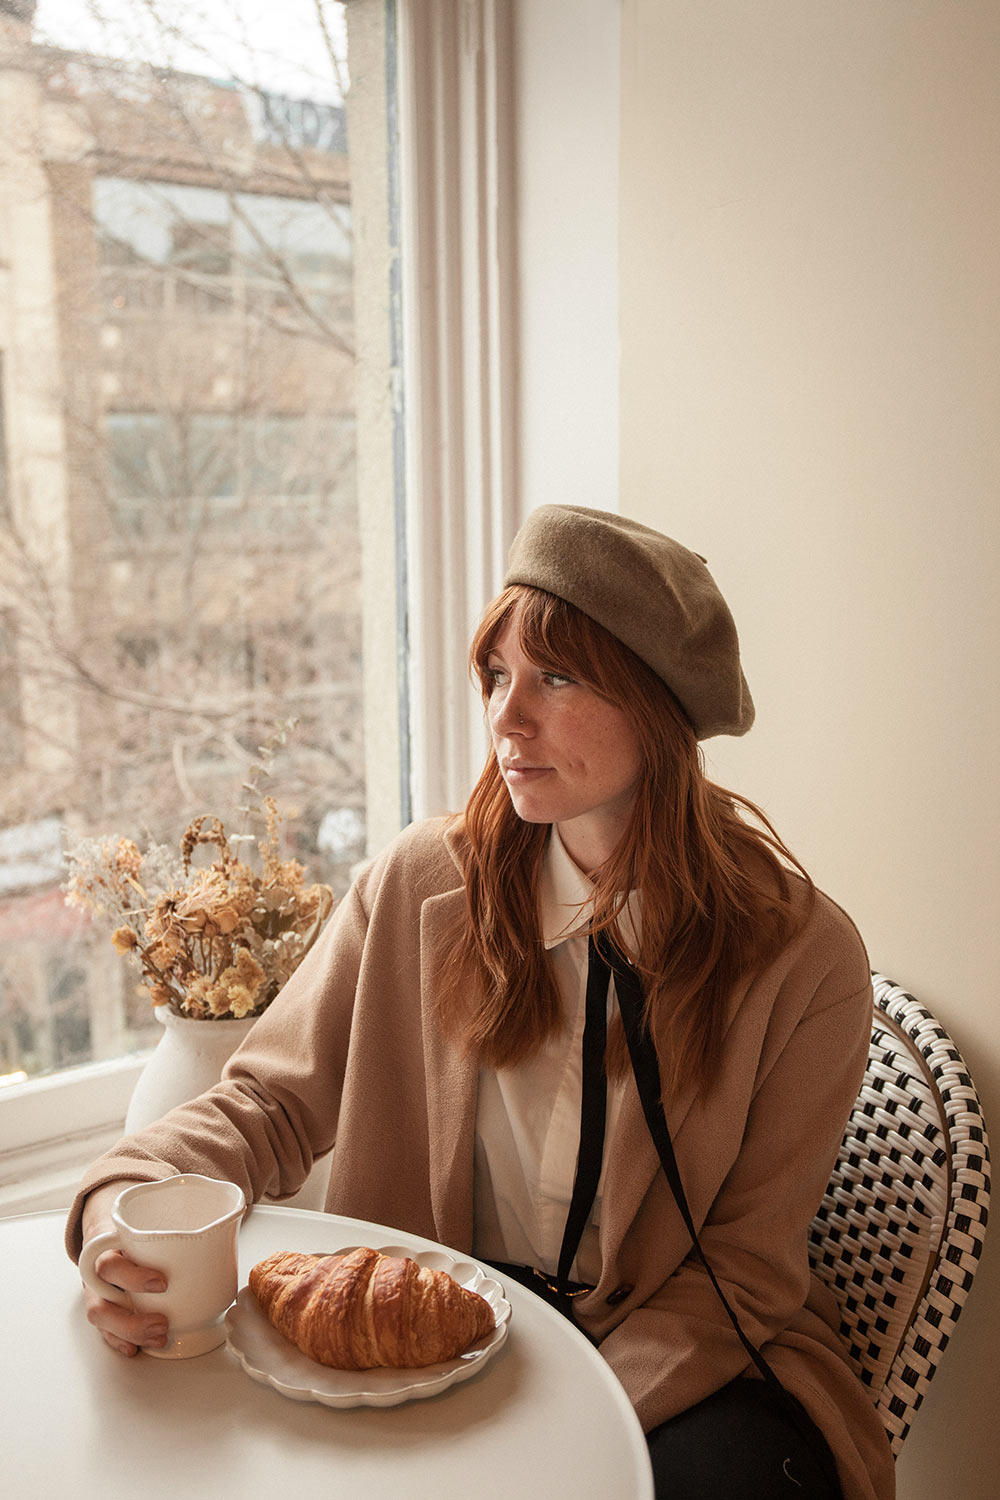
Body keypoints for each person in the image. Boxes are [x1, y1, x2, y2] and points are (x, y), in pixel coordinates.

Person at [66, 506, 895, 1500]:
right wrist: (124, 1200)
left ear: (658, 704)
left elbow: (745, 1277)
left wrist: (563, 1419)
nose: (506, 717)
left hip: (683, 1361)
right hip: (432, 1343)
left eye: (556, 677)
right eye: (496, 674)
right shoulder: (419, 886)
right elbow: (266, 1106)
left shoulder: (801, 956)